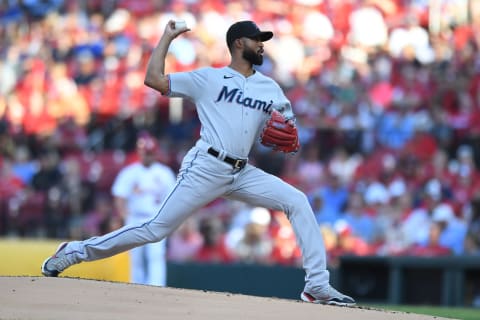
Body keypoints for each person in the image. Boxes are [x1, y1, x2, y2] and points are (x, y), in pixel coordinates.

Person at [41, 20, 356, 306]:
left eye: (263, 40)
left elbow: (287, 130)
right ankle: (74, 252)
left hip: (241, 170)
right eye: (256, 39)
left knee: (297, 201)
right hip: (206, 166)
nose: (261, 44)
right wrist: (166, 37)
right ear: (237, 44)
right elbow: (154, 79)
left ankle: (316, 285)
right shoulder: (209, 78)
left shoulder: (270, 87)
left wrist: (286, 135)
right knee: (155, 230)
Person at [110, 133, 176, 286]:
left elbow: (173, 199)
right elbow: (119, 196)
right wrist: (124, 215)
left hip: (156, 219)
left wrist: (168, 220)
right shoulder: (130, 172)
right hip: (135, 218)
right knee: (135, 257)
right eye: (144, 153)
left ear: (155, 153)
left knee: (156, 255)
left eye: (150, 153)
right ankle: (136, 286)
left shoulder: (164, 173)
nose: (147, 156)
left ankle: (157, 286)